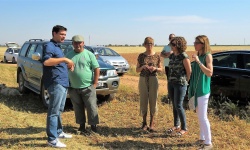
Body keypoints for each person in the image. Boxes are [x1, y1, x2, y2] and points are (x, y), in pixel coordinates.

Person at [42, 25, 74, 148]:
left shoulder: (57, 47)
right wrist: (65, 59)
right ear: (54, 33)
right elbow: (47, 61)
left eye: (65, 35)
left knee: (59, 110)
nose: (64, 37)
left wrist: (66, 65)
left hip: (62, 82)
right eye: (61, 34)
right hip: (55, 83)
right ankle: (52, 140)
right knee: (54, 112)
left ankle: (58, 132)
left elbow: (56, 63)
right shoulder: (49, 46)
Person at [65, 35, 100, 135]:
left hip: (88, 87)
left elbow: (96, 68)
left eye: (79, 42)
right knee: (77, 107)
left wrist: (95, 83)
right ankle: (81, 126)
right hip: (73, 87)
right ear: (72, 44)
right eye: (75, 43)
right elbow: (64, 68)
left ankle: (93, 127)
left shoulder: (89, 54)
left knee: (91, 107)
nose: (77, 45)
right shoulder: (68, 55)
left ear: (83, 43)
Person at [189, 35, 213, 150]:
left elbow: (209, 73)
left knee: (203, 117)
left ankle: (208, 143)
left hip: (203, 90)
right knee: (199, 116)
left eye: (196, 42)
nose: (194, 44)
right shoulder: (199, 55)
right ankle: (202, 138)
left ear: (202, 44)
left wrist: (198, 62)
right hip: (196, 90)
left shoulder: (207, 56)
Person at [136, 37, 162, 132]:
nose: (149, 45)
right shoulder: (141, 56)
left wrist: (155, 69)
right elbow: (137, 70)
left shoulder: (157, 56)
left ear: (153, 44)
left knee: (153, 100)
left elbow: (161, 69)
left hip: (153, 79)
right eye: (147, 44)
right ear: (144, 45)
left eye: (151, 43)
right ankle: (144, 123)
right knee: (143, 100)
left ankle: (152, 123)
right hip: (143, 79)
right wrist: (142, 67)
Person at [166, 36, 191, 136]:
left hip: (180, 84)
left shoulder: (184, 56)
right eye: (171, 44)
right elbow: (166, 66)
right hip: (171, 83)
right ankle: (176, 125)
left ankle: (184, 128)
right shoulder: (171, 56)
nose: (171, 46)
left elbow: (189, 72)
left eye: (173, 44)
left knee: (179, 105)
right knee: (174, 104)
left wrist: (185, 82)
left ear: (179, 45)